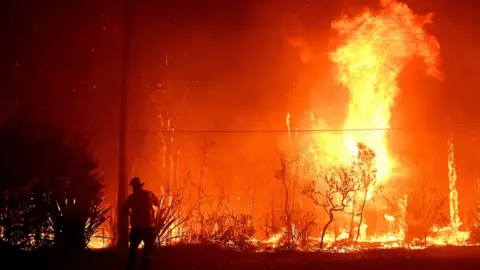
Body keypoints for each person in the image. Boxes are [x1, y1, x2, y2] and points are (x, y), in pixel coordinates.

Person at [122, 177, 160, 270]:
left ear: (133, 187)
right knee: (148, 247)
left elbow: (123, 211)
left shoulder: (132, 198)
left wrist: (130, 214)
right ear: (141, 185)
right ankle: (146, 265)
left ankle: (131, 264)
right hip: (149, 226)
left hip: (137, 227)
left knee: (134, 247)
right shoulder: (149, 194)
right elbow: (158, 203)